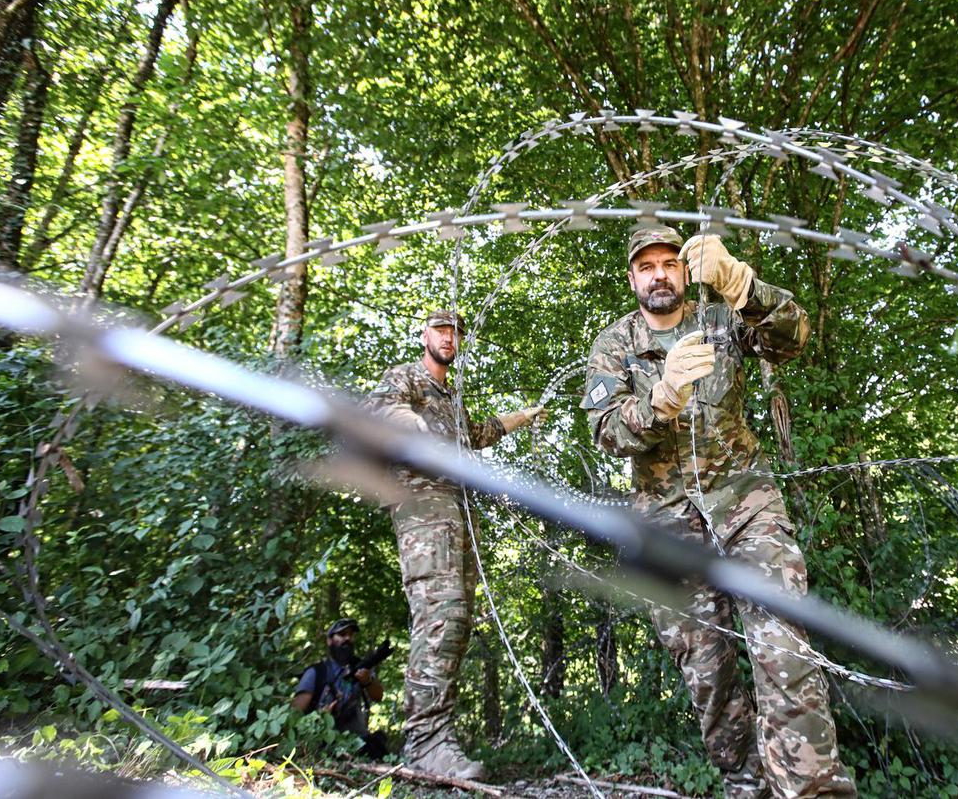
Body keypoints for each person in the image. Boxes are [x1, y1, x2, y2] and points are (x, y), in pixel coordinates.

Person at [580, 226, 857, 798]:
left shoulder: (720, 317)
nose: (659, 274)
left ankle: (813, 788)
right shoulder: (614, 344)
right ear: (632, 279)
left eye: (669, 263)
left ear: (685, 271)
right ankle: (746, 783)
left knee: (782, 645)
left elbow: (793, 337)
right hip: (666, 524)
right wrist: (660, 399)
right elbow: (605, 431)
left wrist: (741, 285)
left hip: (746, 503)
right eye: (646, 267)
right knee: (707, 672)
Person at [366, 310, 544, 779]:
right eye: (441, 330)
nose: (449, 337)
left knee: (458, 621)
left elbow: (474, 435)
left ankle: (436, 737)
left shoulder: (451, 398)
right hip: (422, 504)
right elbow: (381, 409)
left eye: (455, 332)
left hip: (458, 509)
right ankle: (425, 743)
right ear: (424, 335)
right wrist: (413, 426)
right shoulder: (406, 378)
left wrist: (520, 417)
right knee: (440, 615)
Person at [292, 617, 388, 759]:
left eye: (350, 635)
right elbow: (295, 713)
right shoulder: (316, 672)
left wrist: (367, 681)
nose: (347, 639)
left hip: (356, 740)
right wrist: (320, 716)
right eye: (342, 635)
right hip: (322, 742)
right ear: (329, 640)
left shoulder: (361, 666)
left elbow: (378, 696)